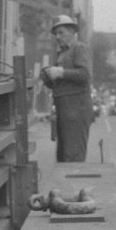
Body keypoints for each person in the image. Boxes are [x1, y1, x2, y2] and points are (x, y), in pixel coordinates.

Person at [40, 14, 93, 163]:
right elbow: (60, 83)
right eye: (56, 34)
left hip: (76, 109)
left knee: (73, 156)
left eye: (61, 32)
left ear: (72, 31)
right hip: (65, 109)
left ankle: (73, 185)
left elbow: (85, 75)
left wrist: (60, 72)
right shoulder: (62, 54)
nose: (57, 37)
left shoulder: (79, 48)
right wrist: (48, 78)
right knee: (63, 156)